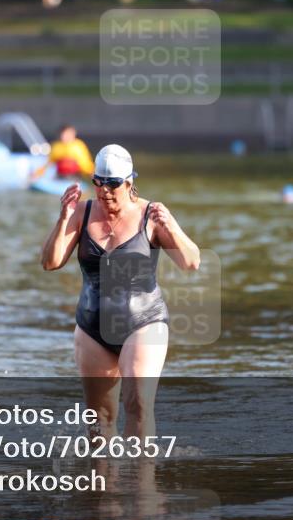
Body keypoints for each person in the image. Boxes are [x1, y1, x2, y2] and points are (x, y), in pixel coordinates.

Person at [40, 145, 200, 440]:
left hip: (144, 323)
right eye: (98, 182)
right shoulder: (82, 212)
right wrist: (63, 217)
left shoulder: (150, 215)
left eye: (112, 184)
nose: (105, 191)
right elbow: (50, 262)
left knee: (138, 405)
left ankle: (143, 470)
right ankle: (102, 471)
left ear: (129, 183)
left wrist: (172, 228)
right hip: (92, 327)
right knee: (99, 421)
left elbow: (191, 263)